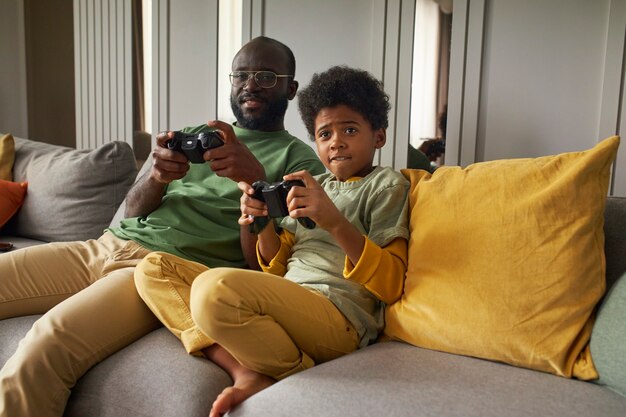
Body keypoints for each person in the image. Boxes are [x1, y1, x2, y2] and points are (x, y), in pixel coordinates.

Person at [0, 36, 324, 416]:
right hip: (104, 246)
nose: (250, 84)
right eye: (241, 75)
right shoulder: (195, 134)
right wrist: (156, 176)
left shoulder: (301, 160)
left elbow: (277, 264)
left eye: (266, 76)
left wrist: (254, 180)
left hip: (161, 271)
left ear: (291, 88)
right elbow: (130, 214)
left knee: (46, 345)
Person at [134, 65, 410, 416]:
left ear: (379, 136)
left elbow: (391, 282)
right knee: (152, 268)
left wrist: (334, 221)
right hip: (292, 301)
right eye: (324, 134)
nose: (336, 141)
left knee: (214, 289)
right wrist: (262, 223)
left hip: (339, 318)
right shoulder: (313, 184)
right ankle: (251, 368)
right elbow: (277, 264)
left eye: (350, 130)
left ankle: (289, 370)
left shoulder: (387, 186)